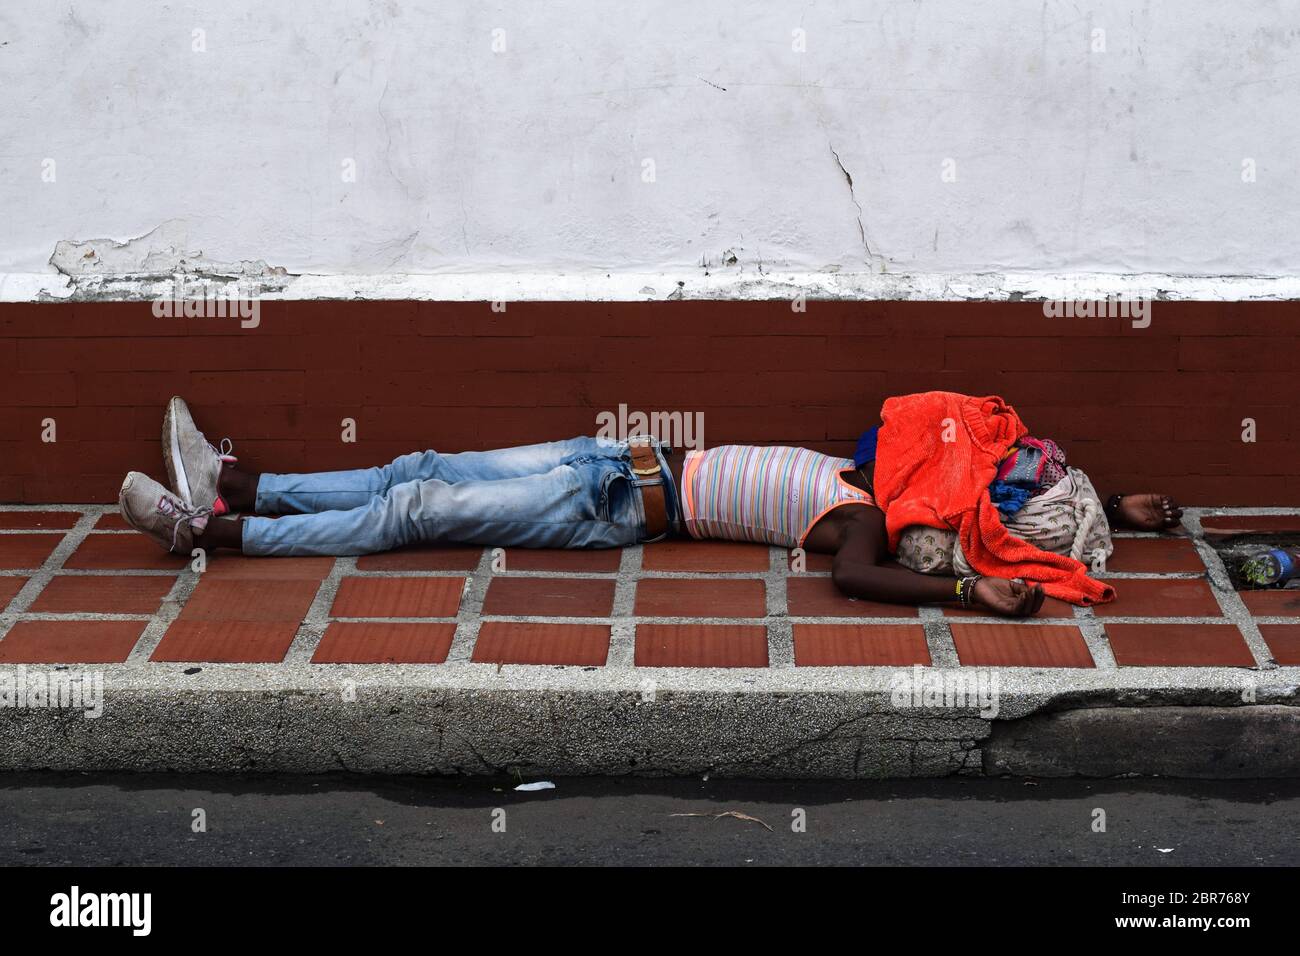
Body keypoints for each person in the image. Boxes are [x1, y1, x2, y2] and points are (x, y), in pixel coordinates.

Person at [120, 397, 1183, 618]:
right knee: (416, 462)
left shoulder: (866, 528)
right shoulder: (875, 469)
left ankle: (212, 533)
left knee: (417, 508)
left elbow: (860, 581)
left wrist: (970, 587)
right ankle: (240, 483)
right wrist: (1128, 511)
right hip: (609, 453)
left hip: (617, 510)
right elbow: (966, 435)